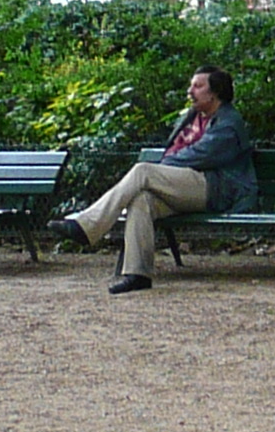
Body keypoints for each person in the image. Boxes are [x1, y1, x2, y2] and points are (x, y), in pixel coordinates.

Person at [47, 65, 257, 294]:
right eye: (191, 85)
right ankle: (138, 274)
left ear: (215, 92)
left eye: (198, 86)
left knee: (143, 172)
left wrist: (162, 169)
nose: (190, 91)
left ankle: (87, 226)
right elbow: (177, 152)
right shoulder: (193, 117)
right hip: (186, 186)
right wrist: (166, 168)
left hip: (216, 188)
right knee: (142, 200)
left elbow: (202, 155)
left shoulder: (228, 122)